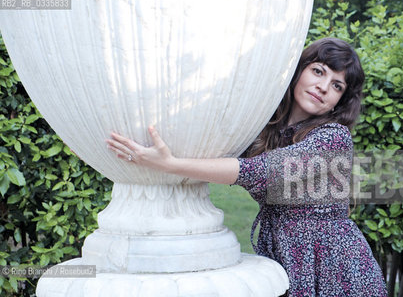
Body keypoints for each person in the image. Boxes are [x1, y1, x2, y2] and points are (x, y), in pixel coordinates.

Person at [106, 37, 388, 296]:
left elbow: (261, 172)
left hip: (335, 266)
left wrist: (169, 164)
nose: (324, 87)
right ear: (298, 70)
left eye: (337, 85)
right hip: (284, 254)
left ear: (340, 101)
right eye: (318, 71)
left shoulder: (333, 138)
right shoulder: (263, 129)